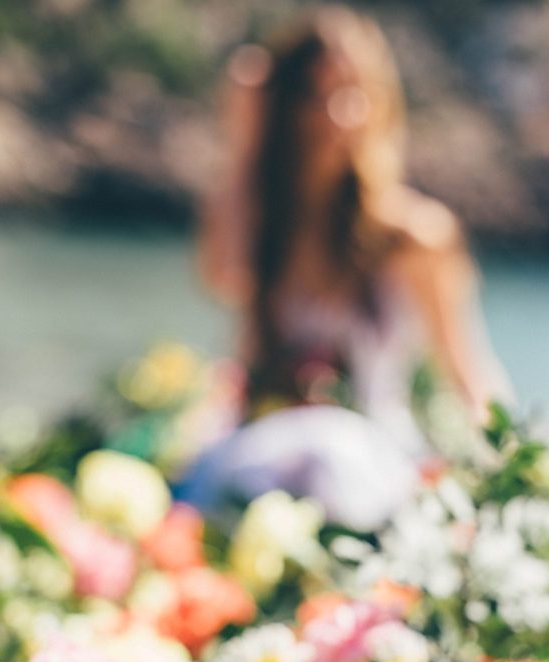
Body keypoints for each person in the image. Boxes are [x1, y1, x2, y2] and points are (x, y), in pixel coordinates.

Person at [176, 6, 511, 530]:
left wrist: (513, 470)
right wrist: (244, 137)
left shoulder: (413, 236)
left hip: (365, 465)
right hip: (258, 460)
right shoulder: (260, 227)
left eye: (353, 90)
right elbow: (224, 276)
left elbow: (468, 372)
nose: (337, 112)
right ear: (283, 107)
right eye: (313, 92)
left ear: (380, 102)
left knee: (331, 452)